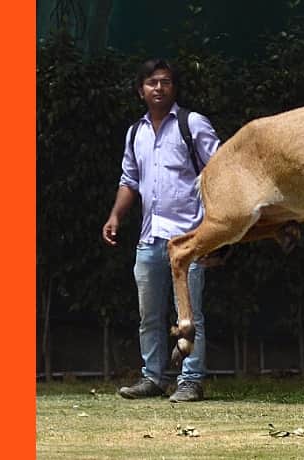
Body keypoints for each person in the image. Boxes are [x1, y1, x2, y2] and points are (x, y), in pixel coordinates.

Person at [101, 58, 220, 403]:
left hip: (190, 238)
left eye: (165, 82)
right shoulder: (135, 132)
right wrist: (115, 217)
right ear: (141, 90)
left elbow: (220, 171)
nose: (158, 88)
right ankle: (152, 377)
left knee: (191, 314)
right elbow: (129, 180)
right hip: (149, 238)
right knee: (149, 315)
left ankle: (191, 380)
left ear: (174, 88)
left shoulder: (192, 124)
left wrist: (215, 229)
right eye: (152, 82)